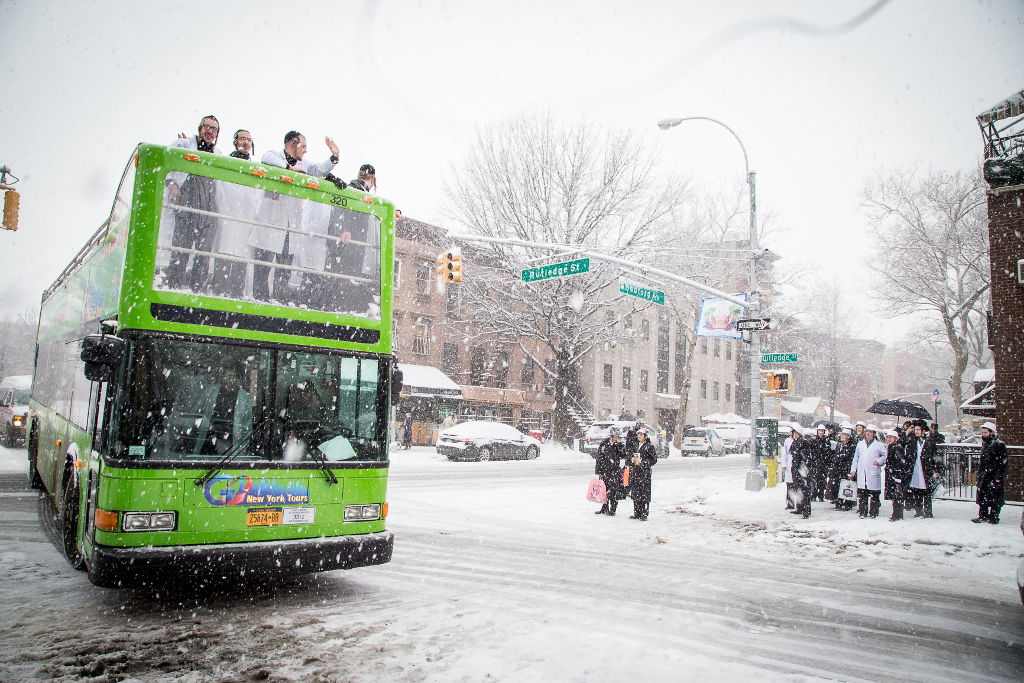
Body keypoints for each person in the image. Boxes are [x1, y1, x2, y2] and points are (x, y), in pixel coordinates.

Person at [249, 130, 341, 302]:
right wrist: (289, 169)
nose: (305, 151)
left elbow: (319, 170)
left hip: (289, 228)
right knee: (262, 268)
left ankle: (278, 302)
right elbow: (265, 158)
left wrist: (334, 157)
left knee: (284, 269)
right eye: (303, 146)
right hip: (269, 224)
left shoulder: (305, 165)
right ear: (292, 144)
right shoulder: (273, 156)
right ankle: (259, 301)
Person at [165, 115, 223, 292]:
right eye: (206, 126)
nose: (209, 131)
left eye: (214, 129)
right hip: (187, 202)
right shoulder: (183, 144)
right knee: (180, 250)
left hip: (208, 208)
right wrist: (172, 183)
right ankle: (173, 288)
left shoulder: (218, 155)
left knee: (203, 254)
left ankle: (197, 291)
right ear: (200, 128)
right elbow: (167, 161)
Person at [849, 424, 887, 518]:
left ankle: (873, 512)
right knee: (862, 494)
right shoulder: (860, 444)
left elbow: (885, 456)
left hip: (873, 472)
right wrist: (853, 469)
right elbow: (855, 458)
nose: (868, 434)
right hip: (862, 472)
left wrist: (879, 461)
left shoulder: (879, 445)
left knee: (874, 494)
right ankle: (863, 512)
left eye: (870, 432)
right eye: (867, 432)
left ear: (874, 434)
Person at [974, 422, 1007, 524]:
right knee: (983, 496)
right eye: (982, 432)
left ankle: (994, 517)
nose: (983, 435)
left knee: (995, 497)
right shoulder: (985, 444)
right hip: (984, 475)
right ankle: (983, 515)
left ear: (991, 432)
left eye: (985, 432)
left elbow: (1002, 462)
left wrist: (998, 476)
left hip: (993, 475)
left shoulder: (999, 444)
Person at [906, 420, 939, 518]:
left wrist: (937, 469)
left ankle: (928, 512)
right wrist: (907, 432)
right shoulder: (912, 441)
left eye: (918, 429)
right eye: (915, 429)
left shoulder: (929, 442)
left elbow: (936, 456)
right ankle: (918, 511)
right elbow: (903, 444)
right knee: (916, 491)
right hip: (915, 470)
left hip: (926, 470)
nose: (916, 431)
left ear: (923, 430)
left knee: (927, 492)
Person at [627, 429, 658, 520]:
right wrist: (632, 460)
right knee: (635, 493)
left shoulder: (649, 446)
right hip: (635, 472)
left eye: (641, 435)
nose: (639, 436)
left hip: (644, 473)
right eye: (638, 435)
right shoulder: (636, 445)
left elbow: (654, 460)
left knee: (644, 493)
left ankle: (644, 513)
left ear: (645, 436)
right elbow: (631, 455)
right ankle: (637, 513)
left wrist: (643, 462)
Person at [594, 427, 625, 515]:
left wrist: (619, 445)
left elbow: (623, 455)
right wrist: (599, 470)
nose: (617, 438)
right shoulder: (604, 443)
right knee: (604, 490)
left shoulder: (619, 445)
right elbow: (599, 457)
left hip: (615, 471)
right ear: (611, 436)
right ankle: (604, 507)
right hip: (605, 470)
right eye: (616, 436)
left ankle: (613, 509)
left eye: (618, 436)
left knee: (614, 491)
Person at [884, 429, 912, 521]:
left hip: (896, 476)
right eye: (888, 437)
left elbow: (900, 462)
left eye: (891, 437)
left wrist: (897, 475)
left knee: (897, 496)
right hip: (892, 475)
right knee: (895, 496)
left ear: (895, 438)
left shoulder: (897, 448)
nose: (889, 439)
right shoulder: (891, 447)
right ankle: (896, 514)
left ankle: (897, 515)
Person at [828, 427, 857, 511]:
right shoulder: (839, 444)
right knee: (837, 486)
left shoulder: (851, 446)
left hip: (845, 469)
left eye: (844, 435)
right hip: (837, 469)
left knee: (847, 486)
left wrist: (849, 470)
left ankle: (848, 503)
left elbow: (851, 459)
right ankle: (838, 503)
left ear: (848, 436)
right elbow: (835, 456)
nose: (842, 436)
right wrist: (833, 466)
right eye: (842, 434)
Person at [789, 428, 815, 518]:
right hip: (796, 469)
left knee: (804, 490)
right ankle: (800, 508)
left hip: (802, 469)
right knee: (798, 490)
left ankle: (806, 510)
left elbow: (806, 457)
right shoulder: (795, 442)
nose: (792, 434)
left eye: (793, 432)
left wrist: (804, 468)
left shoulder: (804, 442)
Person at [781, 426, 800, 509]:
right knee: (789, 486)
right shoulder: (787, 441)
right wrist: (784, 465)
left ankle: (798, 504)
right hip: (789, 465)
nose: (790, 433)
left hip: (796, 464)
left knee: (797, 486)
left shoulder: (798, 441)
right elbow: (784, 453)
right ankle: (790, 503)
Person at [810, 424, 831, 502]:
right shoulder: (814, 440)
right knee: (814, 480)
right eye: (819, 431)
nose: (821, 432)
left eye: (822, 431)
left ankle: (821, 495)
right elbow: (811, 451)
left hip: (823, 463)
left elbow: (828, 453)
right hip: (815, 463)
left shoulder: (826, 441)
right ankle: (814, 495)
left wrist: (826, 461)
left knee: (822, 480)